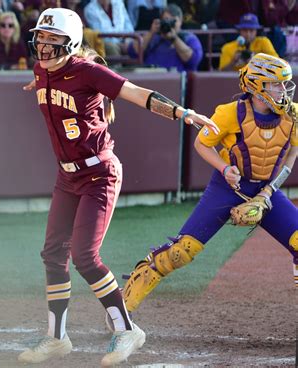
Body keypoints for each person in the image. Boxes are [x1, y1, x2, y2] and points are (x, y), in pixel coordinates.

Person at [17, 7, 220, 367]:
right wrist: (40, 82)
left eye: (52, 40)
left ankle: (127, 330)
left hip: (99, 174)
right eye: (41, 38)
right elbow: (52, 84)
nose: (43, 46)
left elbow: (139, 94)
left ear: (72, 43)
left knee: (84, 256)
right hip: (67, 176)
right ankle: (57, 338)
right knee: (52, 254)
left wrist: (184, 114)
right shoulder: (41, 70)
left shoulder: (87, 71)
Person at [123, 53, 298, 316]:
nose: (283, 90)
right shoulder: (230, 113)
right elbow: (202, 144)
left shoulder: (293, 115)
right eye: (277, 84)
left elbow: (291, 156)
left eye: (285, 84)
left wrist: (267, 192)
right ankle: (127, 299)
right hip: (227, 188)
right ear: (257, 85)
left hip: (265, 191)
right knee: (183, 251)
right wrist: (225, 168)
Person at [141, 4, 203, 72]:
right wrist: (151, 32)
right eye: (166, 20)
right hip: (152, 77)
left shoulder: (189, 38)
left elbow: (193, 60)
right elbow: (134, 51)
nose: (169, 24)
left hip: (177, 80)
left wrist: (174, 39)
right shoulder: (154, 38)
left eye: (173, 21)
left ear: (180, 21)